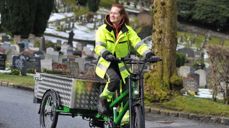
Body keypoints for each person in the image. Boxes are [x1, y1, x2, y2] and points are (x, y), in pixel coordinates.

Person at [94, 3, 155, 124]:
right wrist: (105, 53)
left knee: (129, 89)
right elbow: (99, 46)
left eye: (115, 13)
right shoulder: (102, 29)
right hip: (106, 63)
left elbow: (138, 44)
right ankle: (103, 99)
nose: (112, 15)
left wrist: (148, 53)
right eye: (111, 12)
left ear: (121, 16)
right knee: (114, 79)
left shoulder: (128, 31)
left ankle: (125, 120)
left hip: (122, 65)